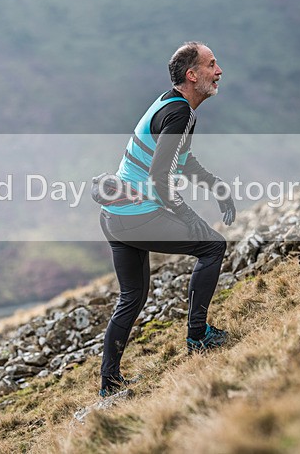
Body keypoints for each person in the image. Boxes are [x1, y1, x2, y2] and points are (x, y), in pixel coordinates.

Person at [97, 41, 236, 396]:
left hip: (115, 216)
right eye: (212, 65)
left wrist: (216, 187)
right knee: (213, 247)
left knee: (132, 296)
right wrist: (187, 215)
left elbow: (182, 161)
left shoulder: (171, 104)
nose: (218, 71)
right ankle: (199, 336)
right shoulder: (179, 113)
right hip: (136, 215)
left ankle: (109, 384)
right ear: (192, 75)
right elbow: (161, 175)